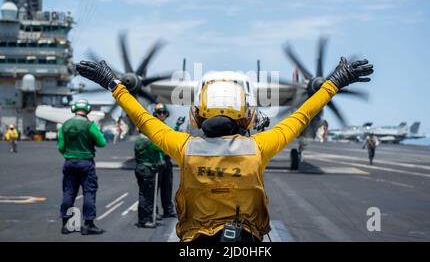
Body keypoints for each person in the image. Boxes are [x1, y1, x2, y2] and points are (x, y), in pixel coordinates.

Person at [76, 56, 373, 242]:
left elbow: (142, 119)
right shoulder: (260, 147)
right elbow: (302, 115)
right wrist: (332, 84)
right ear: (248, 114)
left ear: (196, 114)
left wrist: (114, 84)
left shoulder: (184, 147)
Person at [57, 99, 106, 235]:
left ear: (73, 109)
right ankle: (88, 224)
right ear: (88, 110)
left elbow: (61, 146)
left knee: (69, 192)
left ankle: (66, 225)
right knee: (89, 193)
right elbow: (101, 142)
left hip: (69, 162)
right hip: (86, 163)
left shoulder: (65, 125)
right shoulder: (89, 125)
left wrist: (69, 154)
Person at [134, 132, 164, 228]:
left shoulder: (138, 140)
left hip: (139, 167)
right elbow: (163, 150)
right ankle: (145, 219)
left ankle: (144, 217)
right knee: (148, 195)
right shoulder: (151, 142)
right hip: (148, 169)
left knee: (142, 193)